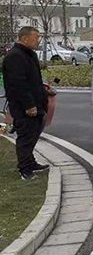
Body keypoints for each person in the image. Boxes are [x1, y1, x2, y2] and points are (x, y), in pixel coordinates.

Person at [2, 27, 51, 180]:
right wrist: (29, 105)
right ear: (25, 38)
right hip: (24, 106)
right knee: (25, 136)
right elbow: (18, 84)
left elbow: (34, 80)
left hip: (37, 102)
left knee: (33, 133)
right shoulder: (15, 57)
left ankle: (31, 162)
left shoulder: (30, 54)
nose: (38, 40)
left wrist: (44, 93)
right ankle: (24, 169)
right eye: (36, 37)